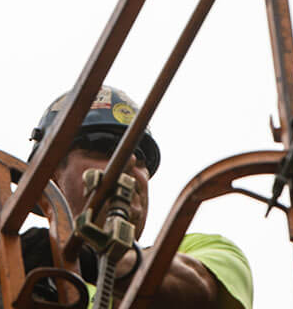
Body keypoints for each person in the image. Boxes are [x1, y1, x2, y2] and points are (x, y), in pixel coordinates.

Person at [20, 86, 253, 309]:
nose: (131, 159)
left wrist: (85, 260)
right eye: (103, 145)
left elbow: (198, 291)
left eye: (140, 153)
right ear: (51, 177)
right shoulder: (16, 281)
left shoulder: (206, 250)